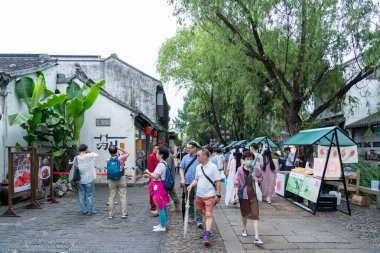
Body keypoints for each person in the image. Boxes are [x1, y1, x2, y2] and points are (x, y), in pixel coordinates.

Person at [187, 149, 221, 246]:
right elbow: (197, 179)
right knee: (203, 213)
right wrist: (191, 185)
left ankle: (207, 234)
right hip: (199, 195)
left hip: (209, 195)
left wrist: (218, 195)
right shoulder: (198, 167)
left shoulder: (213, 167)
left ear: (205, 156)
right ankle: (207, 230)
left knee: (208, 214)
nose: (197, 157)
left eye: (198, 156)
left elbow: (218, 181)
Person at [234, 151, 264, 245]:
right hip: (243, 195)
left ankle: (256, 237)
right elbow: (236, 184)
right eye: (247, 159)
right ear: (243, 160)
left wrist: (257, 179)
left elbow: (261, 178)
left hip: (253, 195)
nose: (249, 161)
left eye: (251, 159)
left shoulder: (255, 170)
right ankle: (244, 229)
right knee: (244, 214)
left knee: (256, 214)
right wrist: (236, 195)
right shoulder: (239, 170)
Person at [144, 145, 171, 232]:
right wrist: (148, 175)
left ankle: (163, 226)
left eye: (157, 152)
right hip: (161, 185)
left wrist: (148, 172)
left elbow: (155, 176)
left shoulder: (160, 164)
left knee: (160, 206)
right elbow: (157, 175)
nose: (156, 154)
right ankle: (162, 224)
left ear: (161, 155)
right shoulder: (164, 163)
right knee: (161, 206)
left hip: (159, 186)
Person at [180, 141, 203, 228]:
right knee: (189, 200)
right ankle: (191, 216)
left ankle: (199, 219)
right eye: (187, 148)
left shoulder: (200, 157)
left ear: (195, 148)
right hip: (187, 182)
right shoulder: (185, 157)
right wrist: (182, 178)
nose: (188, 149)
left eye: (189, 148)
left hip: (199, 182)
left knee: (198, 200)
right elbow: (181, 168)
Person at [107, 145, 129, 219]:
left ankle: (111, 214)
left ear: (109, 152)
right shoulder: (121, 158)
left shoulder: (108, 159)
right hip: (121, 178)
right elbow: (127, 153)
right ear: (116, 151)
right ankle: (124, 213)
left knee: (111, 197)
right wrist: (121, 148)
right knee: (123, 196)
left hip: (111, 180)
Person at [76, 144, 98, 215]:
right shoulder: (89, 156)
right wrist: (89, 151)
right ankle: (90, 210)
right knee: (90, 195)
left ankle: (84, 210)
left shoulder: (76, 157)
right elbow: (96, 154)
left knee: (82, 195)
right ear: (86, 149)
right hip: (89, 178)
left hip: (80, 179)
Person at [165, 144, 180, 212]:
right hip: (170, 177)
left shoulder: (168, 155)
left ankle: (177, 206)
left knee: (172, 192)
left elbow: (168, 168)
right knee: (171, 192)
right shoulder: (169, 154)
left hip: (168, 178)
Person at [148, 145, 160, 216]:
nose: (157, 150)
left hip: (157, 176)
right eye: (156, 149)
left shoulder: (157, 156)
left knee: (155, 192)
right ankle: (153, 207)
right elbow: (151, 168)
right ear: (153, 149)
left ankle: (154, 206)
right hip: (153, 177)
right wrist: (152, 176)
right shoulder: (151, 156)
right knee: (153, 192)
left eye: (158, 149)